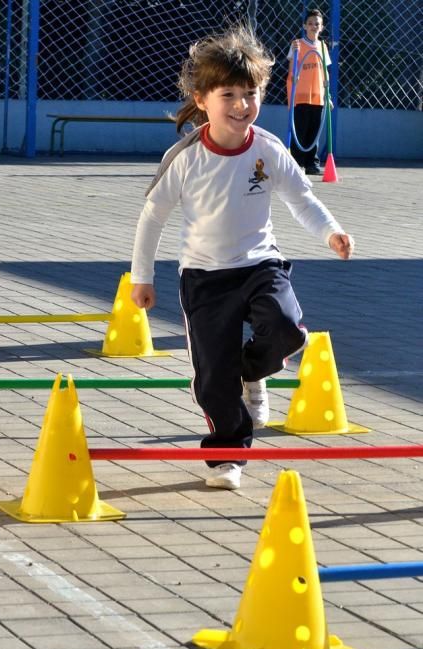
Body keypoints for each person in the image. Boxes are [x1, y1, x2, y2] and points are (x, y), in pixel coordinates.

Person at [130, 24, 354, 490]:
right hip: (204, 279)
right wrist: (142, 277)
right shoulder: (186, 157)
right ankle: (228, 456)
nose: (240, 105)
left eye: (250, 94)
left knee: (289, 330)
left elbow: (302, 200)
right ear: (202, 98)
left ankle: (252, 374)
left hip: (260, 266)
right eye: (228, 94)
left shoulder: (268, 150)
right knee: (213, 379)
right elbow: (152, 217)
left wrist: (330, 232)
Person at [287, 8, 331, 174]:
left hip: (318, 96)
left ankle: (312, 163)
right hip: (301, 96)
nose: (314, 26)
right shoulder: (297, 44)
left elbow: (325, 72)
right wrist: (294, 78)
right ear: (305, 26)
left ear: (322, 27)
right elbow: (292, 68)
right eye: (310, 23)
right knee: (300, 130)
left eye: (317, 24)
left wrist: (329, 97)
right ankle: (297, 163)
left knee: (314, 131)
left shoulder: (322, 46)